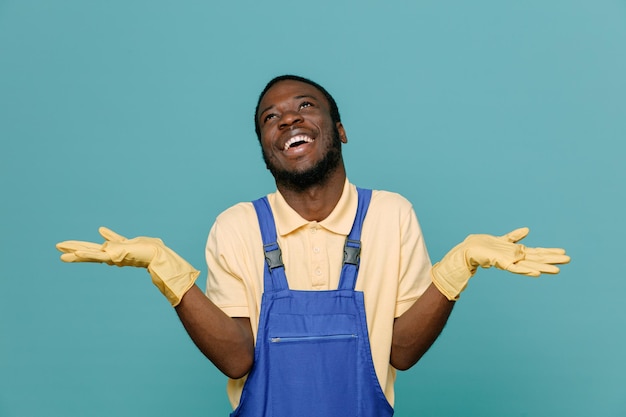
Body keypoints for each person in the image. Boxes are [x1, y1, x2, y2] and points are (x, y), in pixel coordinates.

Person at [56, 75, 570, 417]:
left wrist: (459, 268)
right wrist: (167, 272)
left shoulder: (391, 215)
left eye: (305, 106)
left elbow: (403, 351)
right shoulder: (236, 227)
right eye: (270, 117)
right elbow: (238, 359)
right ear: (265, 149)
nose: (288, 118)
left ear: (340, 130)